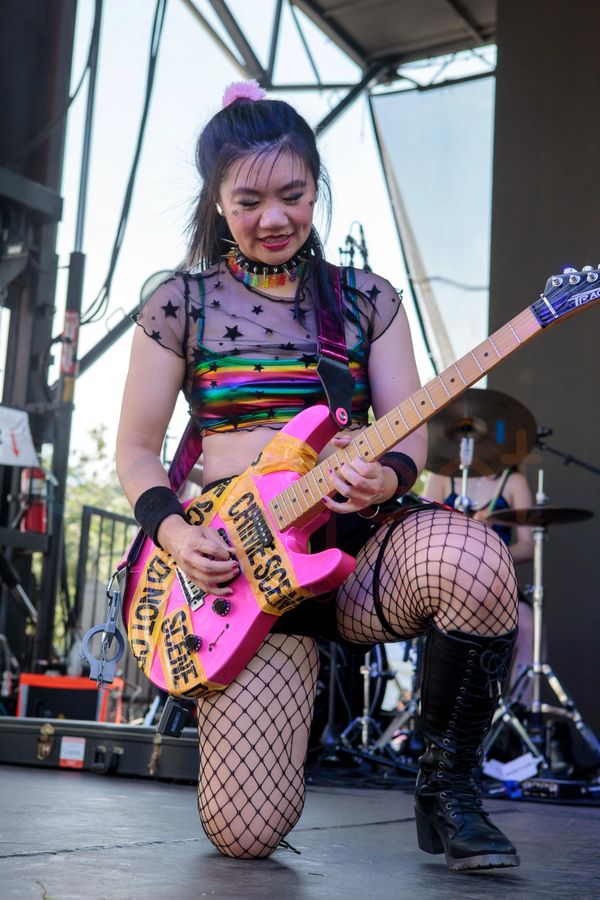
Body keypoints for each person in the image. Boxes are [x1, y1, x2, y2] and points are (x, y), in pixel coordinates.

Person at [116, 81, 520, 871]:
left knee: (473, 559)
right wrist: (173, 532)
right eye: (250, 199)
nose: (274, 218)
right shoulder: (179, 303)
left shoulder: (368, 300)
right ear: (218, 200)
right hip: (247, 570)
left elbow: (416, 434)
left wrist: (389, 475)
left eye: (294, 195)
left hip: (361, 551)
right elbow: (134, 450)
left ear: (316, 187)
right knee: (245, 835)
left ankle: (448, 789)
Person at [423, 467, 535, 691]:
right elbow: (423, 531)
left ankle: (520, 712)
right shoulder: (442, 476)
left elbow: (528, 546)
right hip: (447, 580)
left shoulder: (513, 481)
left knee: (528, 626)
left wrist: (490, 552)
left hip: (494, 581)